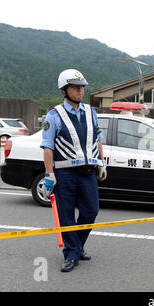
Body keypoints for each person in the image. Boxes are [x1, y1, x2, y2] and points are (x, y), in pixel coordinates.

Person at [40, 69, 107, 272]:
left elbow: (98, 139)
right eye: (75, 87)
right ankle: (72, 253)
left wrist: (102, 163)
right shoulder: (53, 116)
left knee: (91, 211)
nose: (80, 90)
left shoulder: (91, 112)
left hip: (88, 172)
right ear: (64, 89)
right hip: (65, 174)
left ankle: (76, 246)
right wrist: (49, 174)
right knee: (66, 215)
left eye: (82, 87)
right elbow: (48, 146)